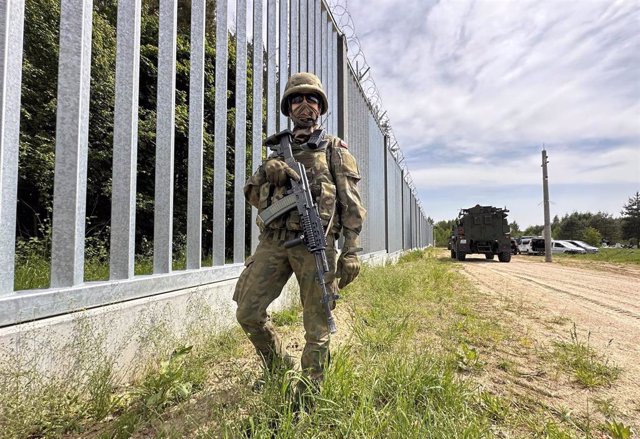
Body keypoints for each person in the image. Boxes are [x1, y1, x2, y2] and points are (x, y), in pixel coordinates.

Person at [233, 72, 366, 387]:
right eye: (297, 99)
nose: (304, 105)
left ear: (320, 107)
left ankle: (310, 389)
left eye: (311, 99)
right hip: (274, 243)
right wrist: (267, 171)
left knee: (317, 325)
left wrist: (350, 250)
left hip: (314, 244)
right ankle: (278, 368)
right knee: (248, 312)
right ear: (288, 108)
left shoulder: (334, 148)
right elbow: (251, 195)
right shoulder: (277, 152)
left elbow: (351, 203)